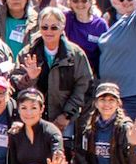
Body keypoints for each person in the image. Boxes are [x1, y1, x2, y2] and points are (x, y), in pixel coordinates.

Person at [11, 7, 94, 136]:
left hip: (65, 120)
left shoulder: (75, 54)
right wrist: (30, 78)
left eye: (54, 27)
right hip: (32, 119)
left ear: (62, 28)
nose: (49, 31)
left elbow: (84, 86)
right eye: (44, 27)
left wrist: (67, 115)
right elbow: (16, 86)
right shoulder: (27, 53)